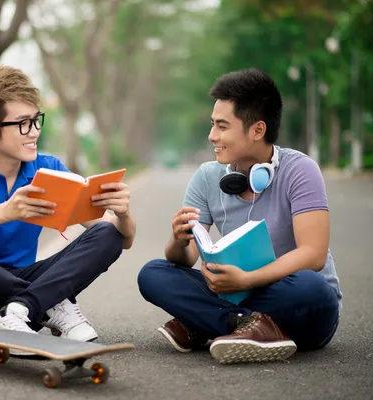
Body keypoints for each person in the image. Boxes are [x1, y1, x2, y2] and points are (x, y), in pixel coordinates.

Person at [0, 65, 136, 350]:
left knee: (106, 234)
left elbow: (120, 239)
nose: (34, 132)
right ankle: (46, 306)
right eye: (22, 124)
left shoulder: (49, 169)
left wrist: (123, 214)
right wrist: (7, 211)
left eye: (36, 120)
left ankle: (24, 308)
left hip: (19, 301)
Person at [137, 68, 342, 364]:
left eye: (222, 126)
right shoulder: (207, 176)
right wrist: (178, 241)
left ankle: (202, 322)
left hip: (297, 302)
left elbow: (313, 254)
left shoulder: (300, 170)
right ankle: (246, 325)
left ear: (257, 130)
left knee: (314, 289)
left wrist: (246, 280)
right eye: (212, 125)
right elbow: (187, 257)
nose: (212, 136)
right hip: (236, 294)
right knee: (153, 274)